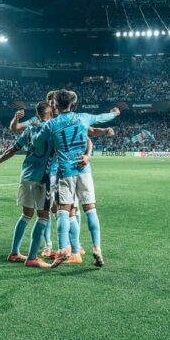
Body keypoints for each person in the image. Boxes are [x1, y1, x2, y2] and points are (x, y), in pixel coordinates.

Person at [41, 90, 119, 268]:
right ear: (72, 104)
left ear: (56, 105)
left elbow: (38, 139)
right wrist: (114, 113)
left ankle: (62, 250)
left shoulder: (52, 124)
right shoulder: (84, 117)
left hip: (65, 172)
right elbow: (102, 117)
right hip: (84, 170)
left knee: (63, 211)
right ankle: (97, 248)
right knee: (90, 209)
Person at [0, 101, 54, 268]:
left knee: (26, 215)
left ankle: (14, 253)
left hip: (26, 175)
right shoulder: (52, 128)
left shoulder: (30, 128)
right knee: (43, 216)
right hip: (42, 178)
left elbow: (13, 148)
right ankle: (33, 257)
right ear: (50, 113)